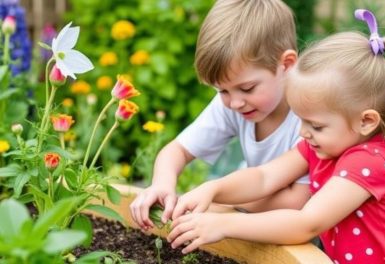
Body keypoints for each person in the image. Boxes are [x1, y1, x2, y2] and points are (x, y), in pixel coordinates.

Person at [167, 9, 385, 263]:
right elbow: (264, 177)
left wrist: (225, 223)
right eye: (301, 119)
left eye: (316, 125)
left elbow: (307, 223)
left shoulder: (371, 161)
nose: (303, 132)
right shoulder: (320, 146)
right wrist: (213, 189)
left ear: (366, 121)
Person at [130, 0, 311, 230]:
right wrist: (162, 184)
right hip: (251, 219)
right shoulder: (236, 103)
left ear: (286, 65)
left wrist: (216, 199)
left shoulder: (310, 118)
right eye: (222, 90)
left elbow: (297, 201)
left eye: (247, 88)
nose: (234, 102)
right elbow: (177, 150)